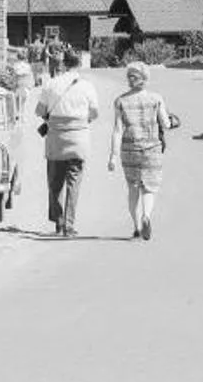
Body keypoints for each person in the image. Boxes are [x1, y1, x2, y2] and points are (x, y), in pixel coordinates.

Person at [33, 50, 101, 237]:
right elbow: (94, 113)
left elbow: (39, 111)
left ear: (63, 63)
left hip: (56, 138)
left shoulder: (52, 84)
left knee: (55, 182)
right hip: (78, 138)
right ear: (79, 64)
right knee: (74, 182)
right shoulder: (87, 86)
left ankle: (58, 221)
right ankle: (69, 226)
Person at [105, 62, 177, 240]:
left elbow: (117, 130)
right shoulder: (156, 99)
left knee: (133, 188)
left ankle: (137, 226)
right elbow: (166, 125)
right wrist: (173, 121)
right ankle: (147, 215)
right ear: (146, 78)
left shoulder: (121, 101)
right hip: (152, 148)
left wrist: (113, 156)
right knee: (149, 188)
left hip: (129, 150)